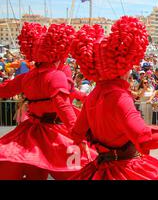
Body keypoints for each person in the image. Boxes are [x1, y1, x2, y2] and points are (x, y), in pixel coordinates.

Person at [69, 16, 158, 180]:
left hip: (100, 168)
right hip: (125, 170)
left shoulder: (93, 95)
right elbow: (145, 139)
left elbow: (76, 134)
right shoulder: (119, 97)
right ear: (125, 63)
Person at [0, 22, 94, 179]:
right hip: (55, 130)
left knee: (35, 172)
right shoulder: (56, 75)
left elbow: (4, 90)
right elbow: (63, 107)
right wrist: (79, 137)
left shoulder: (27, 77)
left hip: (31, 131)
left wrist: (86, 97)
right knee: (73, 171)